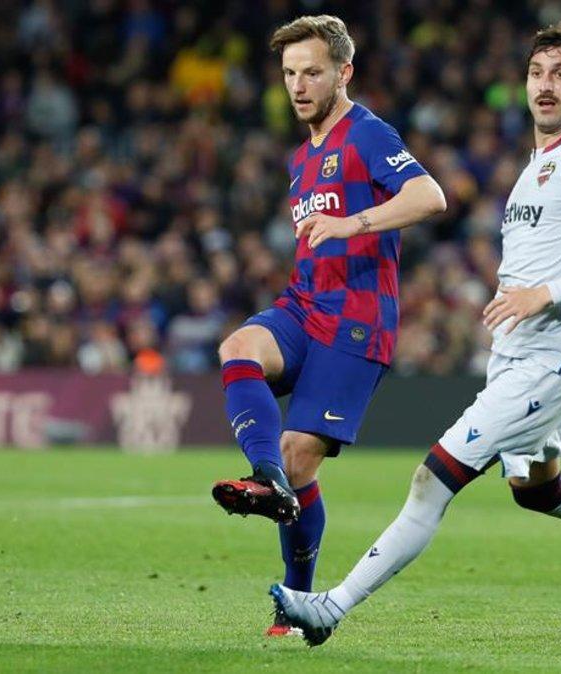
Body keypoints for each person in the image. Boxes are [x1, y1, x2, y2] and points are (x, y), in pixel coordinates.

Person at [271, 20, 561, 646]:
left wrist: (542, 295)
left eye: (560, 75)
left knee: (432, 479)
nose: (545, 87)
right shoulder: (540, 165)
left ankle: (330, 607)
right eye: (536, 73)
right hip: (522, 354)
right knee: (537, 488)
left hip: (550, 362)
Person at [208, 15, 447, 636]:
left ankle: (297, 605)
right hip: (304, 305)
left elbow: (430, 197)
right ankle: (267, 480)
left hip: (357, 324)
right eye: (289, 74)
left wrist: (354, 223)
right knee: (238, 348)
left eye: (312, 71)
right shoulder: (300, 158)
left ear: (344, 72)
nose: (298, 85)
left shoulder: (368, 134)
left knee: (300, 458)